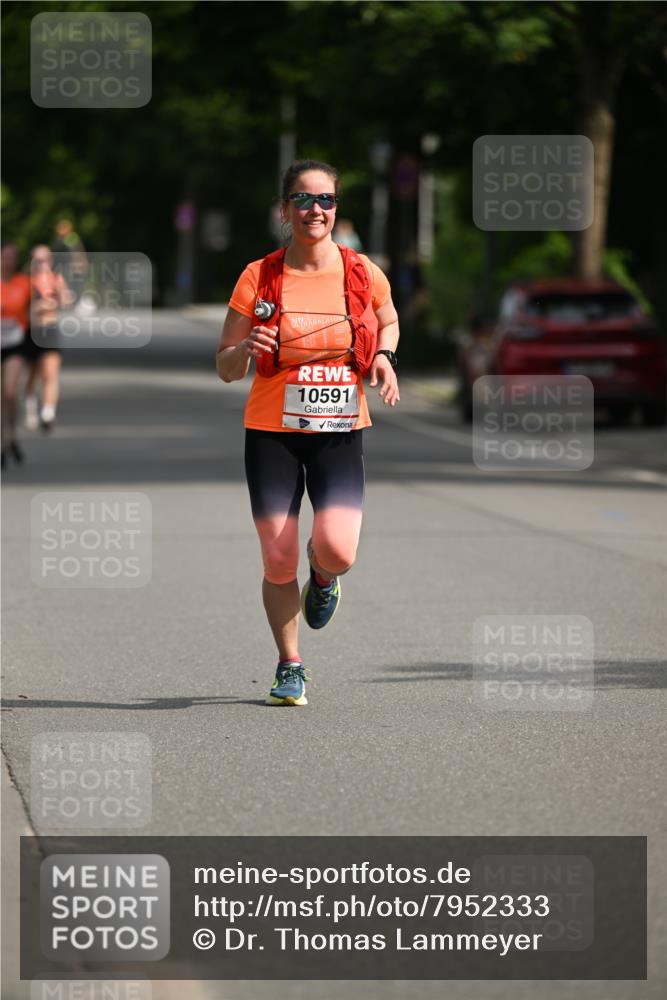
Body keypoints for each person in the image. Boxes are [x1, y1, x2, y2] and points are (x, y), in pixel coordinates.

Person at [216, 159, 400, 706]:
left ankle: (323, 577)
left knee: (339, 550)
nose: (314, 209)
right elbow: (224, 365)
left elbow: (387, 318)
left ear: (336, 209)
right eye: (302, 199)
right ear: (284, 210)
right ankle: (290, 663)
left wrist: (385, 356)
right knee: (277, 558)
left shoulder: (361, 272)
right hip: (271, 430)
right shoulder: (259, 276)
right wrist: (244, 351)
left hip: (340, 429)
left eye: (325, 200)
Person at [24, 244, 72, 433]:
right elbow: (23, 310)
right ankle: (30, 406)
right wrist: (39, 306)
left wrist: (61, 297)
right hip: (31, 332)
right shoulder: (26, 282)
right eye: (38, 260)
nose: (42, 263)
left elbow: (66, 302)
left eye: (45, 259)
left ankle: (48, 412)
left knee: (50, 373)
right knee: (33, 374)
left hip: (50, 330)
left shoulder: (56, 279)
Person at [1, 244, 32, 466]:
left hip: (15, 343)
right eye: (6, 256)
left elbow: (34, 311)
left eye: (13, 257)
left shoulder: (24, 283)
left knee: (10, 394)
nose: (10, 260)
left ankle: (12, 435)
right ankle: (4, 440)